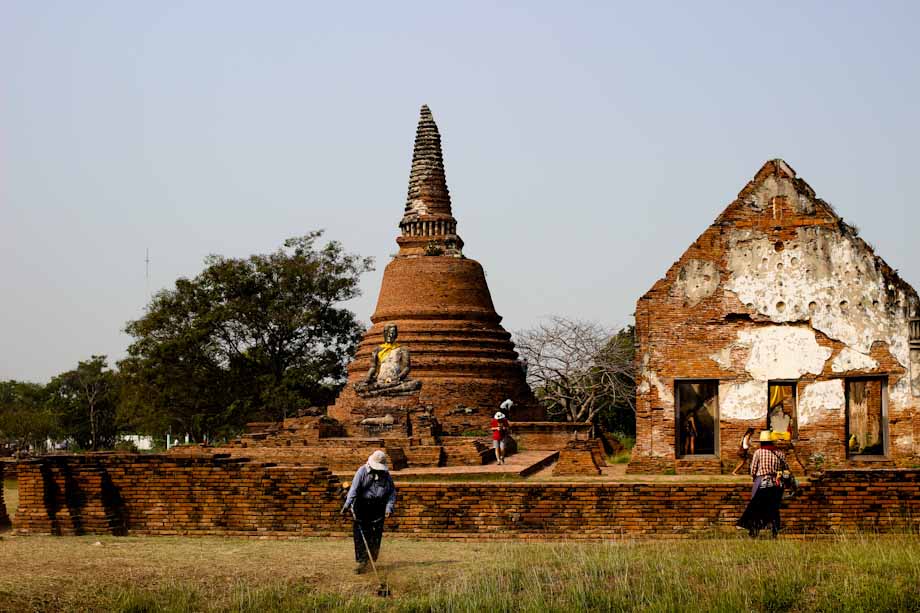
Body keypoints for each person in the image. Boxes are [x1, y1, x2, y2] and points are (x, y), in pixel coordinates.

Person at [341, 450, 397, 573]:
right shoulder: (362, 472)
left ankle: (371, 559)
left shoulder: (386, 475)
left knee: (375, 535)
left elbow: (392, 493)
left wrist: (389, 508)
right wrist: (347, 505)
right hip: (362, 506)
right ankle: (362, 561)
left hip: (378, 507)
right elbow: (354, 490)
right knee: (361, 535)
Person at [736, 431, 788, 538]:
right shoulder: (780, 453)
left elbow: (753, 470)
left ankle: (754, 530)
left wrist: (754, 478)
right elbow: (786, 469)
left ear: (762, 442)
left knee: (756, 507)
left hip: (762, 482)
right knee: (774, 508)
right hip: (777, 484)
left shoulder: (759, 452)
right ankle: (775, 531)